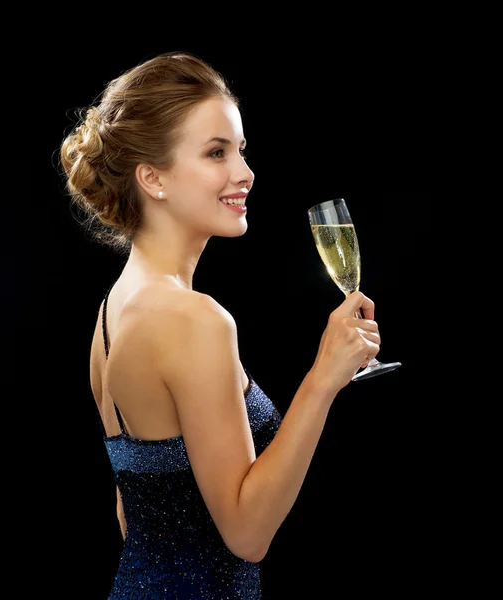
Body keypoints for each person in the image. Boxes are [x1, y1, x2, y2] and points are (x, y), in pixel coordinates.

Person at [58, 51, 381, 600]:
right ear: (152, 177)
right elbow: (247, 535)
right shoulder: (195, 319)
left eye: (240, 150)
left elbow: (133, 510)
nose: (245, 173)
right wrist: (324, 377)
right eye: (216, 152)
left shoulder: (115, 308)